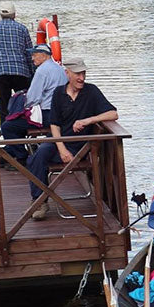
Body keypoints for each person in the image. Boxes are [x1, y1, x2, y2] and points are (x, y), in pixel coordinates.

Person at [27, 56, 118, 221]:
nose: (81, 78)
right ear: (67, 73)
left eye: (83, 73)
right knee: (36, 157)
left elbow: (113, 113)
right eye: (77, 74)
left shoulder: (91, 91)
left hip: (80, 147)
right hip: (59, 142)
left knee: (37, 159)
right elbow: (54, 124)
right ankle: (40, 202)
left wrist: (88, 120)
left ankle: (39, 201)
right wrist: (62, 149)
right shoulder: (58, 93)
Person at [0, 43, 67, 164]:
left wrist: (21, 103)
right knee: (18, 123)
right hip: (62, 114)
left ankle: (22, 158)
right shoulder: (60, 69)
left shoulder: (42, 71)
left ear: (44, 55)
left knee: (8, 126)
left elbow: (32, 98)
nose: (32, 58)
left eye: (34, 55)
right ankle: (16, 152)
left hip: (48, 115)